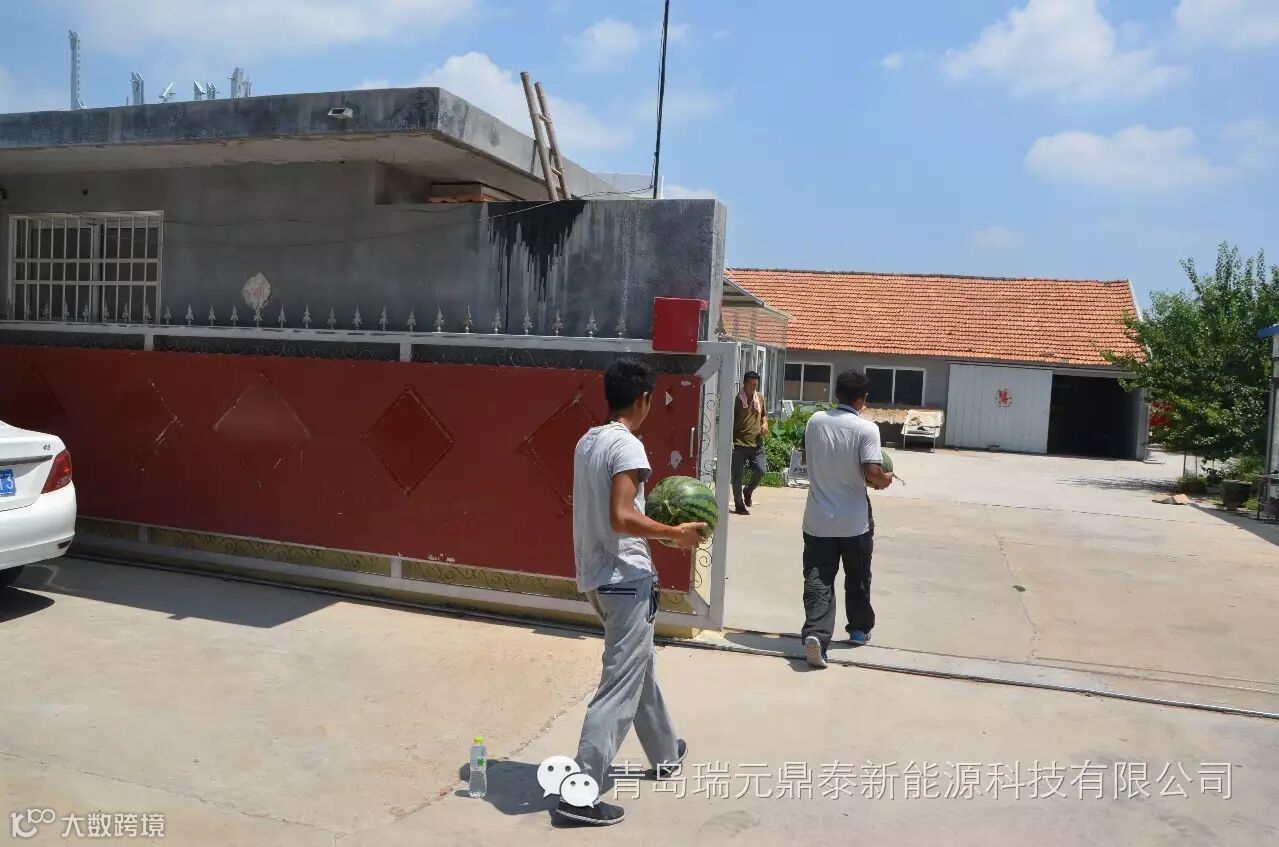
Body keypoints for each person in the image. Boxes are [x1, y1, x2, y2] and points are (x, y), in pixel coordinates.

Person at [560, 357, 705, 826]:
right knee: (619, 686)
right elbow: (622, 517)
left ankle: (664, 752)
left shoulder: (588, 441)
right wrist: (673, 533)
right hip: (626, 578)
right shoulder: (627, 446)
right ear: (643, 398)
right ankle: (580, 794)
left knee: (638, 667)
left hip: (599, 577)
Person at [800, 369, 893, 669]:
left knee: (818, 580)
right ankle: (858, 630)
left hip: (818, 520)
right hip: (854, 522)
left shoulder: (815, 421)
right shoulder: (867, 429)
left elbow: (808, 458)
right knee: (858, 576)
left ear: (836, 394)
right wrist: (886, 480)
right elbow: (872, 472)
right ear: (863, 399)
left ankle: (816, 635)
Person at [731, 370, 769, 515]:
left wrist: (765, 424)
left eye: (755, 385)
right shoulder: (736, 400)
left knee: (761, 470)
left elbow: (764, 415)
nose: (753, 387)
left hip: (757, 443)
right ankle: (739, 505)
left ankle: (748, 490)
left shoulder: (759, 398)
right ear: (744, 383)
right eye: (751, 384)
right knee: (737, 478)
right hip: (739, 444)